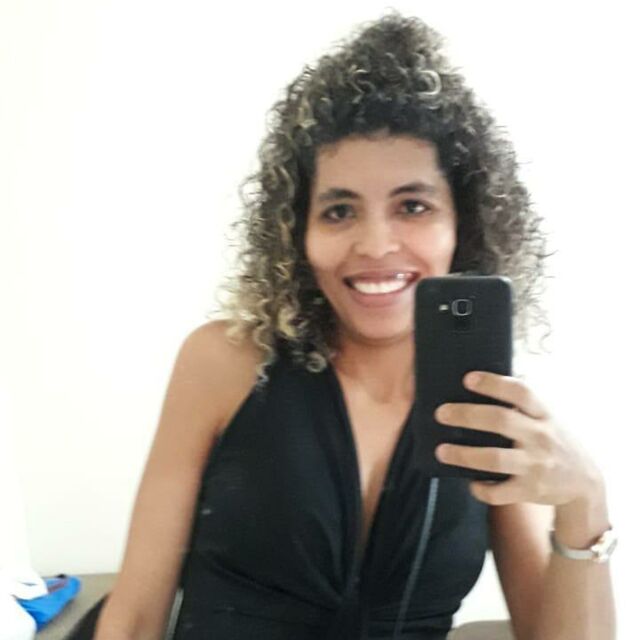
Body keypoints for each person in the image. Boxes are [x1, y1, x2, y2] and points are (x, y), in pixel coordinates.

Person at [83, 10, 615, 640]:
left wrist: (585, 501)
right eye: (339, 211)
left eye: (412, 205)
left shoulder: (487, 408)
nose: (376, 244)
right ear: (297, 233)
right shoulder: (225, 364)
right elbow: (134, 617)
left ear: (463, 225)